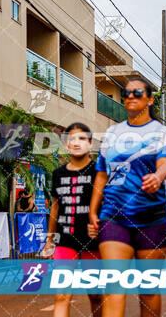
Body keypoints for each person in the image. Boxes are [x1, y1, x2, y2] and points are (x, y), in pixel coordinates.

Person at [89, 77, 166, 317]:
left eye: (137, 93)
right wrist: (93, 210)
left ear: (150, 99)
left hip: (153, 218)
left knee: (147, 289)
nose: (130, 96)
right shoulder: (112, 133)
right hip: (114, 216)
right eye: (125, 92)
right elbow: (101, 174)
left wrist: (158, 177)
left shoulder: (162, 132)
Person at [44, 122, 101, 317]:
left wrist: (104, 228)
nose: (76, 143)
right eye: (72, 139)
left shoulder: (99, 172)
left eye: (82, 138)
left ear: (90, 143)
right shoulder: (58, 174)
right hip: (64, 241)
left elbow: (109, 205)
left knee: (95, 295)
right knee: (61, 296)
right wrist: (50, 238)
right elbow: (55, 206)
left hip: (92, 242)